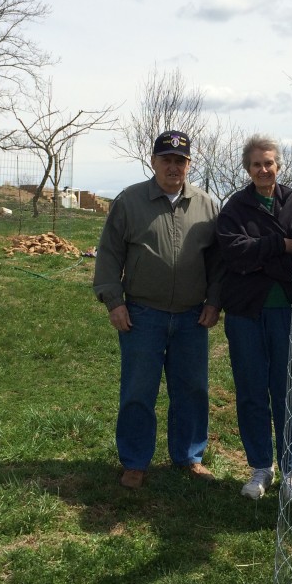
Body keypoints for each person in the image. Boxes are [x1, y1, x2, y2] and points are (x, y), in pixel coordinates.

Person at [92, 130, 224, 489]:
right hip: (141, 314)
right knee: (138, 390)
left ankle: (189, 456)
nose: (173, 166)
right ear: (153, 162)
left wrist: (214, 301)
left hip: (191, 316)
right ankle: (135, 461)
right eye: (166, 159)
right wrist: (114, 302)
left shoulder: (207, 205)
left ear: (189, 165)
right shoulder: (130, 201)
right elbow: (109, 254)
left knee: (192, 389)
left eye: (180, 161)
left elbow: (218, 261)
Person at [216, 135, 292, 504]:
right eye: (256, 164)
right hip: (244, 312)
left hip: (288, 309)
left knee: (290, 390)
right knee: (251, 390)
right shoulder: (234, 208)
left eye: (269, 162)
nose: (263, 169)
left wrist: (260, 255)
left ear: (279, 165)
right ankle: (260, 467)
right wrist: (280, 245)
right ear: (247, 168)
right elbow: (234, 254)